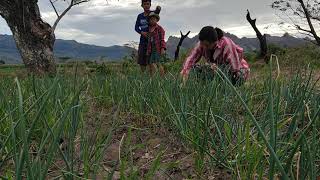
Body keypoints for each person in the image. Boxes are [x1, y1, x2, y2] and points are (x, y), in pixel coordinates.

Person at [180, 26, 250, 86]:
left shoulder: (227, 44)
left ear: (215, 42)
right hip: (217, 69)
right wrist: (185, 73)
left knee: (211, 70)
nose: (204, 47)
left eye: (207, 45)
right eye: (202, 44)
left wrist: (217, 69)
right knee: (196, 69)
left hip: (238, 71)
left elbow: (235, 68)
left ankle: (224, 89)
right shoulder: (202, 44)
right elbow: (191, 59)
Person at [135, 0, 161, 73]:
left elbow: (157, 12)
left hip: (152, 40)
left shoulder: (152, 13)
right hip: (143, 40)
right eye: (145, 4)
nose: (146, 5)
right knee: (141, 60)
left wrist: (158, 9)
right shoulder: (140, 16)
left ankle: (153, 79)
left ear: (150, 5)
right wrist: (141, 32)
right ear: (142, 5)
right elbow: (136, 27)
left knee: (152, 61)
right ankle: (143, 76)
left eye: (148, 4)